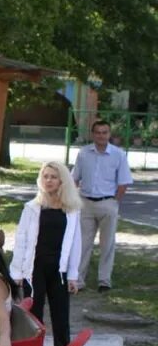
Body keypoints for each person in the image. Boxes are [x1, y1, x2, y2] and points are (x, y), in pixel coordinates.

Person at [9, 161, 89, 346]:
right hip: (34, 271)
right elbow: (22, 240)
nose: (49, 180)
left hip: (59, 272)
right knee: (34, 321)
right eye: (45, 176)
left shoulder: (72, 210)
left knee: (61, 319)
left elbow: (75, 245)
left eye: (53, 176)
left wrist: (73, 275)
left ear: (62, 180)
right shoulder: (32, 208)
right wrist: (17, 271)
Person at [71, 119, 133, 293]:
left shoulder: (118, 154)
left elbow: (123, 182)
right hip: (86, 203)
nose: (101, 135)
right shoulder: (83, 153)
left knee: (107, 244)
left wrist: (115, 201)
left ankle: (104, 280)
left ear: (109, 134)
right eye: (98, 132)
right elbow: (74, 178)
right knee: (82, 244)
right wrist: (73, 200)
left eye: (104, 132)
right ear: (93, 134)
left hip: (108, 202)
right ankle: (78, 281)